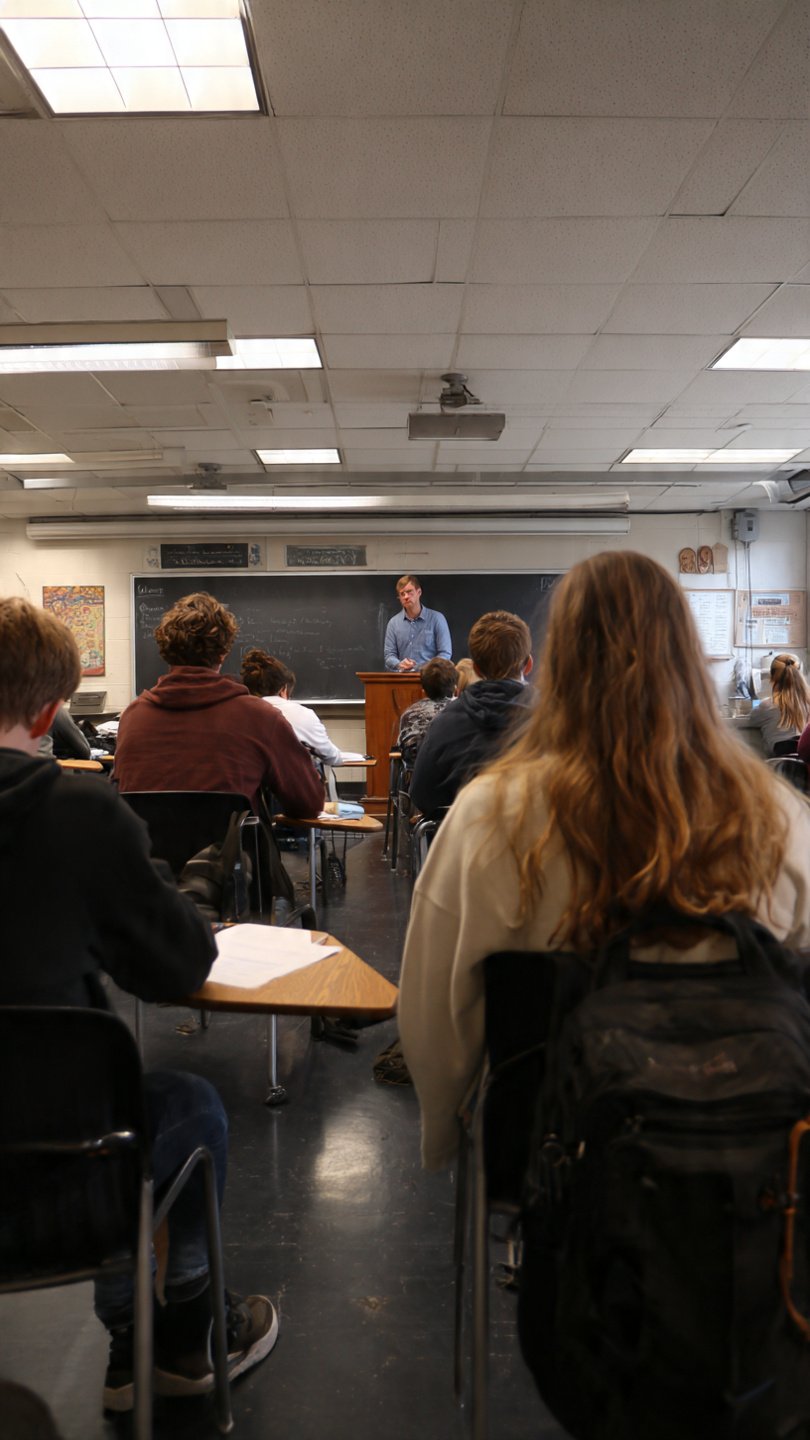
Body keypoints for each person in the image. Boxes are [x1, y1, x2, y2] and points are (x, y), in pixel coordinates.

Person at [398, 552, 810, 1171]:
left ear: (557, 665)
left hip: (552, 1153)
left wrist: (444, 1139)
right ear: (689, 659)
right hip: (749, 1162)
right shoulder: (780, 819)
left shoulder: (488, 815)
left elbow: (433, 1014)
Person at [0, 597, 278, 1413]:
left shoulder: (113, 768)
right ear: (52, 712)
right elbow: (174, 969)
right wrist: (182, 899)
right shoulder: (77, 813)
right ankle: (174, 1339)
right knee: (183, 1104)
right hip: (53, 1177)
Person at [115, 592, 323, 818]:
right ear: (223, 653)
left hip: (148, 853)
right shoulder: (261, 718)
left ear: (166, 651)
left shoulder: (133, 717)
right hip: (229, 853)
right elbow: (308, 803)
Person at [409, 610, 533, 817]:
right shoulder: (556, 717)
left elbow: (422, 795)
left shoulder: (445, 723)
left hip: (466, 843)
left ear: (476, 667)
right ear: (528, 664)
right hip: (541, 843)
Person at [240, 648, 349, 767]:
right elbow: (332, 757)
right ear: (283, 689)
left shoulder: (233, 713)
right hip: (291, 783)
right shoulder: (304, 715)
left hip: (246, 783)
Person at [731, 652, 810, 756]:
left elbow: (751, 720)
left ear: (772, 677)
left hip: (780, 763)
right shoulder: (807, 703)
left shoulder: (767, 706)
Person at [383, 574, 452, 672]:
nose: (406, 596)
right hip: (402, 681)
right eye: (402, 594)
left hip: (431, 679)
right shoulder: (393, 623)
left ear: (419, 592)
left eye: (409, 592)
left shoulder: (437, 619)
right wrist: (399, 664)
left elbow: (445, 654)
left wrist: (423, 668)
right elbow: (389, 655)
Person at [397, 657, 458, 766]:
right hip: (456, 775)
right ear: (455, 688)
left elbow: (403, 749)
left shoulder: (409, 714)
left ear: (423, 690)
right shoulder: (464, 710)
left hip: (419, 774)